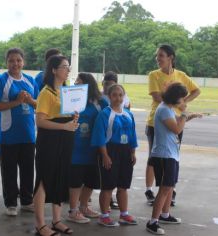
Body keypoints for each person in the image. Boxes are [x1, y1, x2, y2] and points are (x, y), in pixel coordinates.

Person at [145, 44, 201, 206]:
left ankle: (169, 188)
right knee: (154, 157)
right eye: (157, 56)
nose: (158, 59)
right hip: (156, 122)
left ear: (171, 58)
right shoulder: (154, 75)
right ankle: (150, 189)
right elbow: (156, 96)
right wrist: (178, 104)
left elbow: (197, 90)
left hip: (176, 121)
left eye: (161, 55)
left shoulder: (181, 75)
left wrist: (183, 102)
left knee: (172, 156)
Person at [146, 83, 202, 235]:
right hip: (164, 155)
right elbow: (177, 128)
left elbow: (177, 121)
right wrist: (184, 114)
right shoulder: (164, 109)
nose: (184, 101)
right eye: (182, 98)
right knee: (164, 189)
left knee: (170, 186)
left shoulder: (168, 109)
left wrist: (189, 116)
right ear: (175, 97)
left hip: (171, 154)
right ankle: (152, 222)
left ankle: (165, 215)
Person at [0, 48, 38, 216]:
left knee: (27, 170)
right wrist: (17, 101)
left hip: (28, 134)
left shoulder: (31, 80)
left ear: (23, 62)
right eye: (11, 60)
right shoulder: (1, 81)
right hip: (8, 134)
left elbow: (39, 105)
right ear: (6, 62)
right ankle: (10, 203)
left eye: (18, 60)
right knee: (9, 170)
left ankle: (26, 201)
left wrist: (30, 100)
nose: (15, 63)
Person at [33, 55, 79, 236]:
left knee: (60, 178)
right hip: (49, 141)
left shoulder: (66, 90)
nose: (68, 70)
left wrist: (73, 120)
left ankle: (57, 220)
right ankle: (40, 224)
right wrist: (64, 126)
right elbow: (40, 121)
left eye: (68, 67)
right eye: (64, 67)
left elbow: (67, 117)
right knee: (44, 180)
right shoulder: (46, 92)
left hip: (65, 140)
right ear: (53, 70)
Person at [91, 84, 138, 227]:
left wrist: (133, 152)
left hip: (125, 152)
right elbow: (100, 136)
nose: (118, 98)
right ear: (109, 97)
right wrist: (105, 156)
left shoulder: (129, 114)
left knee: (123, 186)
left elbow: (132, 135)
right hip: (110, 151)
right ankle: (104, 216)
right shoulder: (105, 114)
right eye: (115, 95)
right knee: (108, 186)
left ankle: (124, 215)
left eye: (120, 95)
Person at [67, 73, 108, 224]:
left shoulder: (99, 102)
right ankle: (73, 211)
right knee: (76, 181)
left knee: (91, 180)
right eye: (76, 80)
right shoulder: (72, 100)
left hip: (93, 149)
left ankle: (84, 206)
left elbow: (108, 118)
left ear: (88, 84)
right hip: (75, 148)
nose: (76, 83)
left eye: (79, 81)